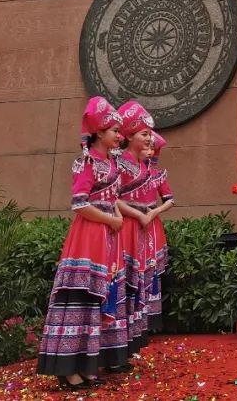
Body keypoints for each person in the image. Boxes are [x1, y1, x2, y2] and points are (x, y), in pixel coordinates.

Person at [37, 97, 129, 389]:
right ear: (99, 132)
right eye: (114, 130)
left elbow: (113, 199)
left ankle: (86, 363)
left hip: (106, 237)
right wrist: (110, 220)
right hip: (88, 237)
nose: (119, 136)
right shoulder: (86, 161)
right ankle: (67, 367)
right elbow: (79, 204)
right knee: (80, 297)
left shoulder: (112, 163)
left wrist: (115, 219)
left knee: (96, 300)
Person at [113, 100, 154, 359]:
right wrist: (137, 213)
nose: (150, 138)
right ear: (129, 136)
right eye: (144, 133)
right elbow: (110, 197)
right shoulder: (120, 164)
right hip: (123, 230)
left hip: (138, 230)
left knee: (135, 286)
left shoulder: (141, 166)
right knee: (121, 285)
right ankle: (115, 345)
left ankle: (128, 343)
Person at [141, 130, 174, 331]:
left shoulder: (157, 175)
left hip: (152, 226)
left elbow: (170, 200)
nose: (150, 151)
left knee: (150, 270)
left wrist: (155, 211)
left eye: (152, 148)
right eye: (147, 146)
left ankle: (148, 319)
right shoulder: (128, 170)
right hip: (133, 223)